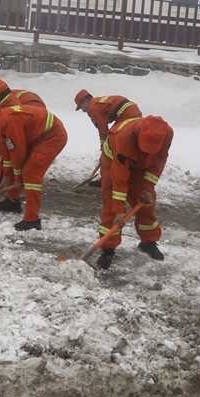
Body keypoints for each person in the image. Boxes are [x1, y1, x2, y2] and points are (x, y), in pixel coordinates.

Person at [0, 100, 67, 231]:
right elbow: (7, 150)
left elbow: (18, 152)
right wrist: (7, 176)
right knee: (19, 167)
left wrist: (18, 180)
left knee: (30, 173)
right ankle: (13, 202)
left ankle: (32, 220)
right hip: (36, 137)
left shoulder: (8, 122)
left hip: (52, 136)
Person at [95, 116, 173, 270]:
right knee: (112, 208)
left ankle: (148, 242)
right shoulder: (125, 137)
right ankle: (108, 249)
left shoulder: (167, 134)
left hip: (141, 165)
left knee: (146, 205)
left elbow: (160, 160)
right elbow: (119, 177)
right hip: (114, 164)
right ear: (139, 135)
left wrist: (148, 186)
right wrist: (119, 209)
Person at [74, 89, 142, 148]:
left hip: (127, 114)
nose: (83, 110)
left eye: (81, 107)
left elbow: (102, 125)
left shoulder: (92, 108)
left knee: (112, 139)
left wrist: (103, 142)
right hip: (132, 110)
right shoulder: (97, 102)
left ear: (85, 102)